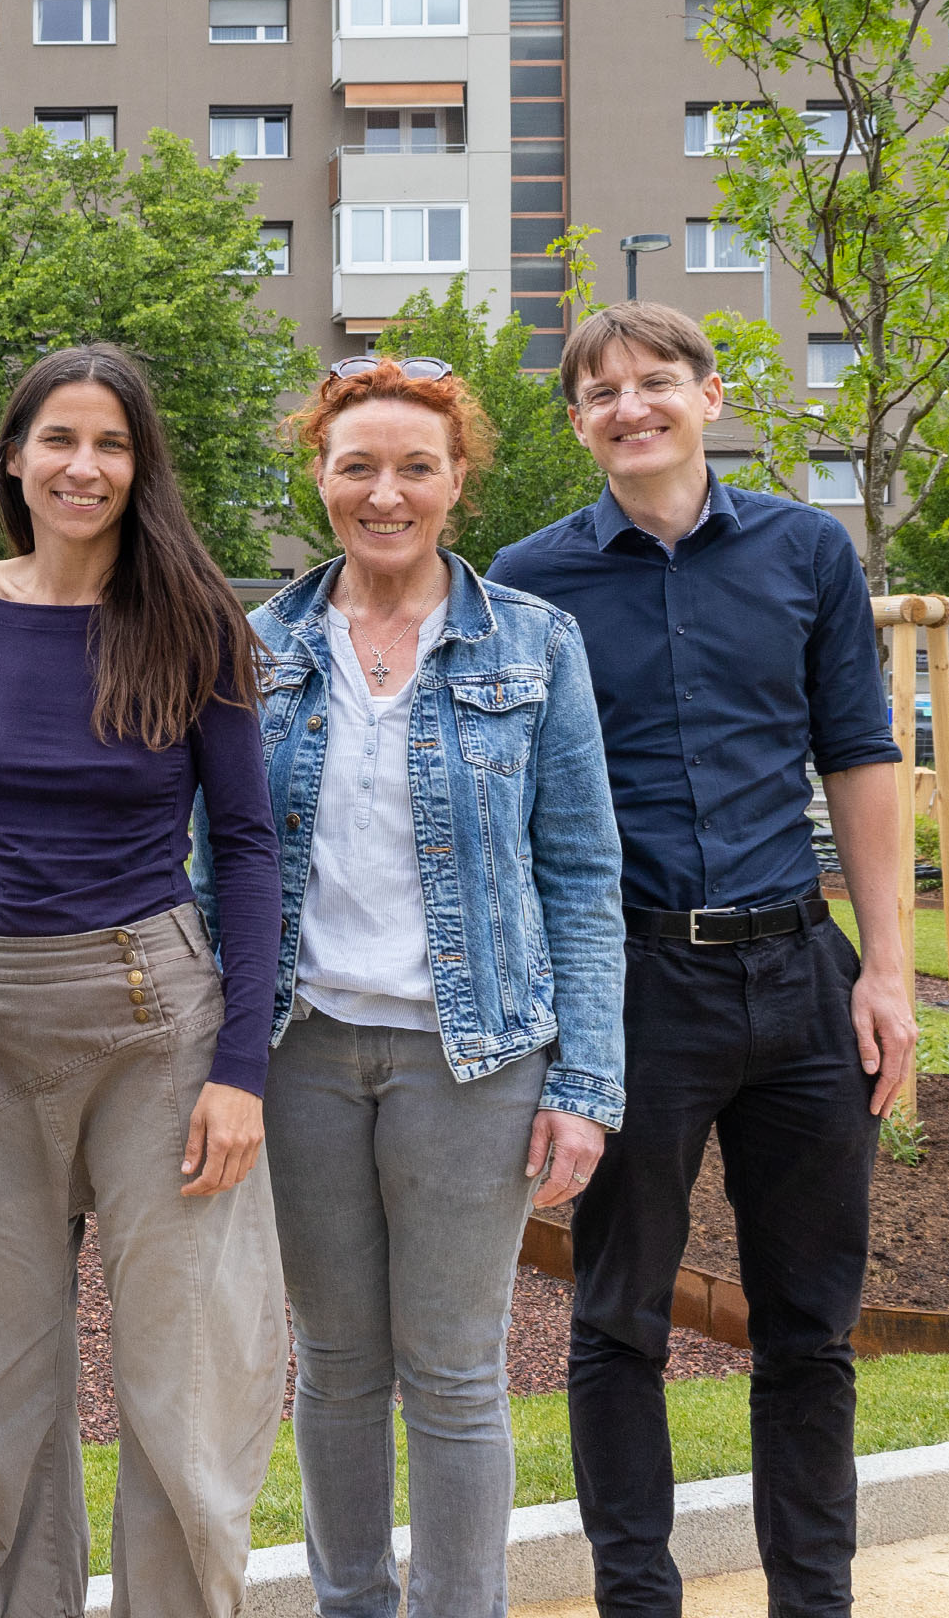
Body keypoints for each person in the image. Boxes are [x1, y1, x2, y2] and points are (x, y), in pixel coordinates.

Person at [492, 303, 912, 1618]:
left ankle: (814, 1603)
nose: (632, 406)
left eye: (656, 381)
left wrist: (887, 971)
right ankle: (639, 1603)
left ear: (710, 395)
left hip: (802, 982)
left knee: (810, 1329)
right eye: (600, 391)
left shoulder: (806, 552)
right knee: (618, 1318)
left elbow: (858, 757)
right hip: (630, 992)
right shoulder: (527, 582)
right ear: (577, 422)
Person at [0, 343, 286, 1618]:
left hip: (158, 1025)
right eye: (59, 439)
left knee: (185, 1383)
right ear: (15, 456)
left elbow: (245, 842)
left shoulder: (195, 619)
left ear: (140, 464)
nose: (84, 465)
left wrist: (240, 1070)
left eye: (111, 443)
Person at [252, 356, 624, 1618]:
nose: (385, 491)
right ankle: (350, 1604)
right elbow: (218, 864)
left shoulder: (535, 641)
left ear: (459, 481)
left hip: (478, 1059)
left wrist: (586, 1084)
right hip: (301, 1048)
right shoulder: (256, 648)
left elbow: (579, 869)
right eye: (357, 464)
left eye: (416, 465)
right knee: (337, 1364)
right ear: (320, 474)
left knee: (457, 1370)